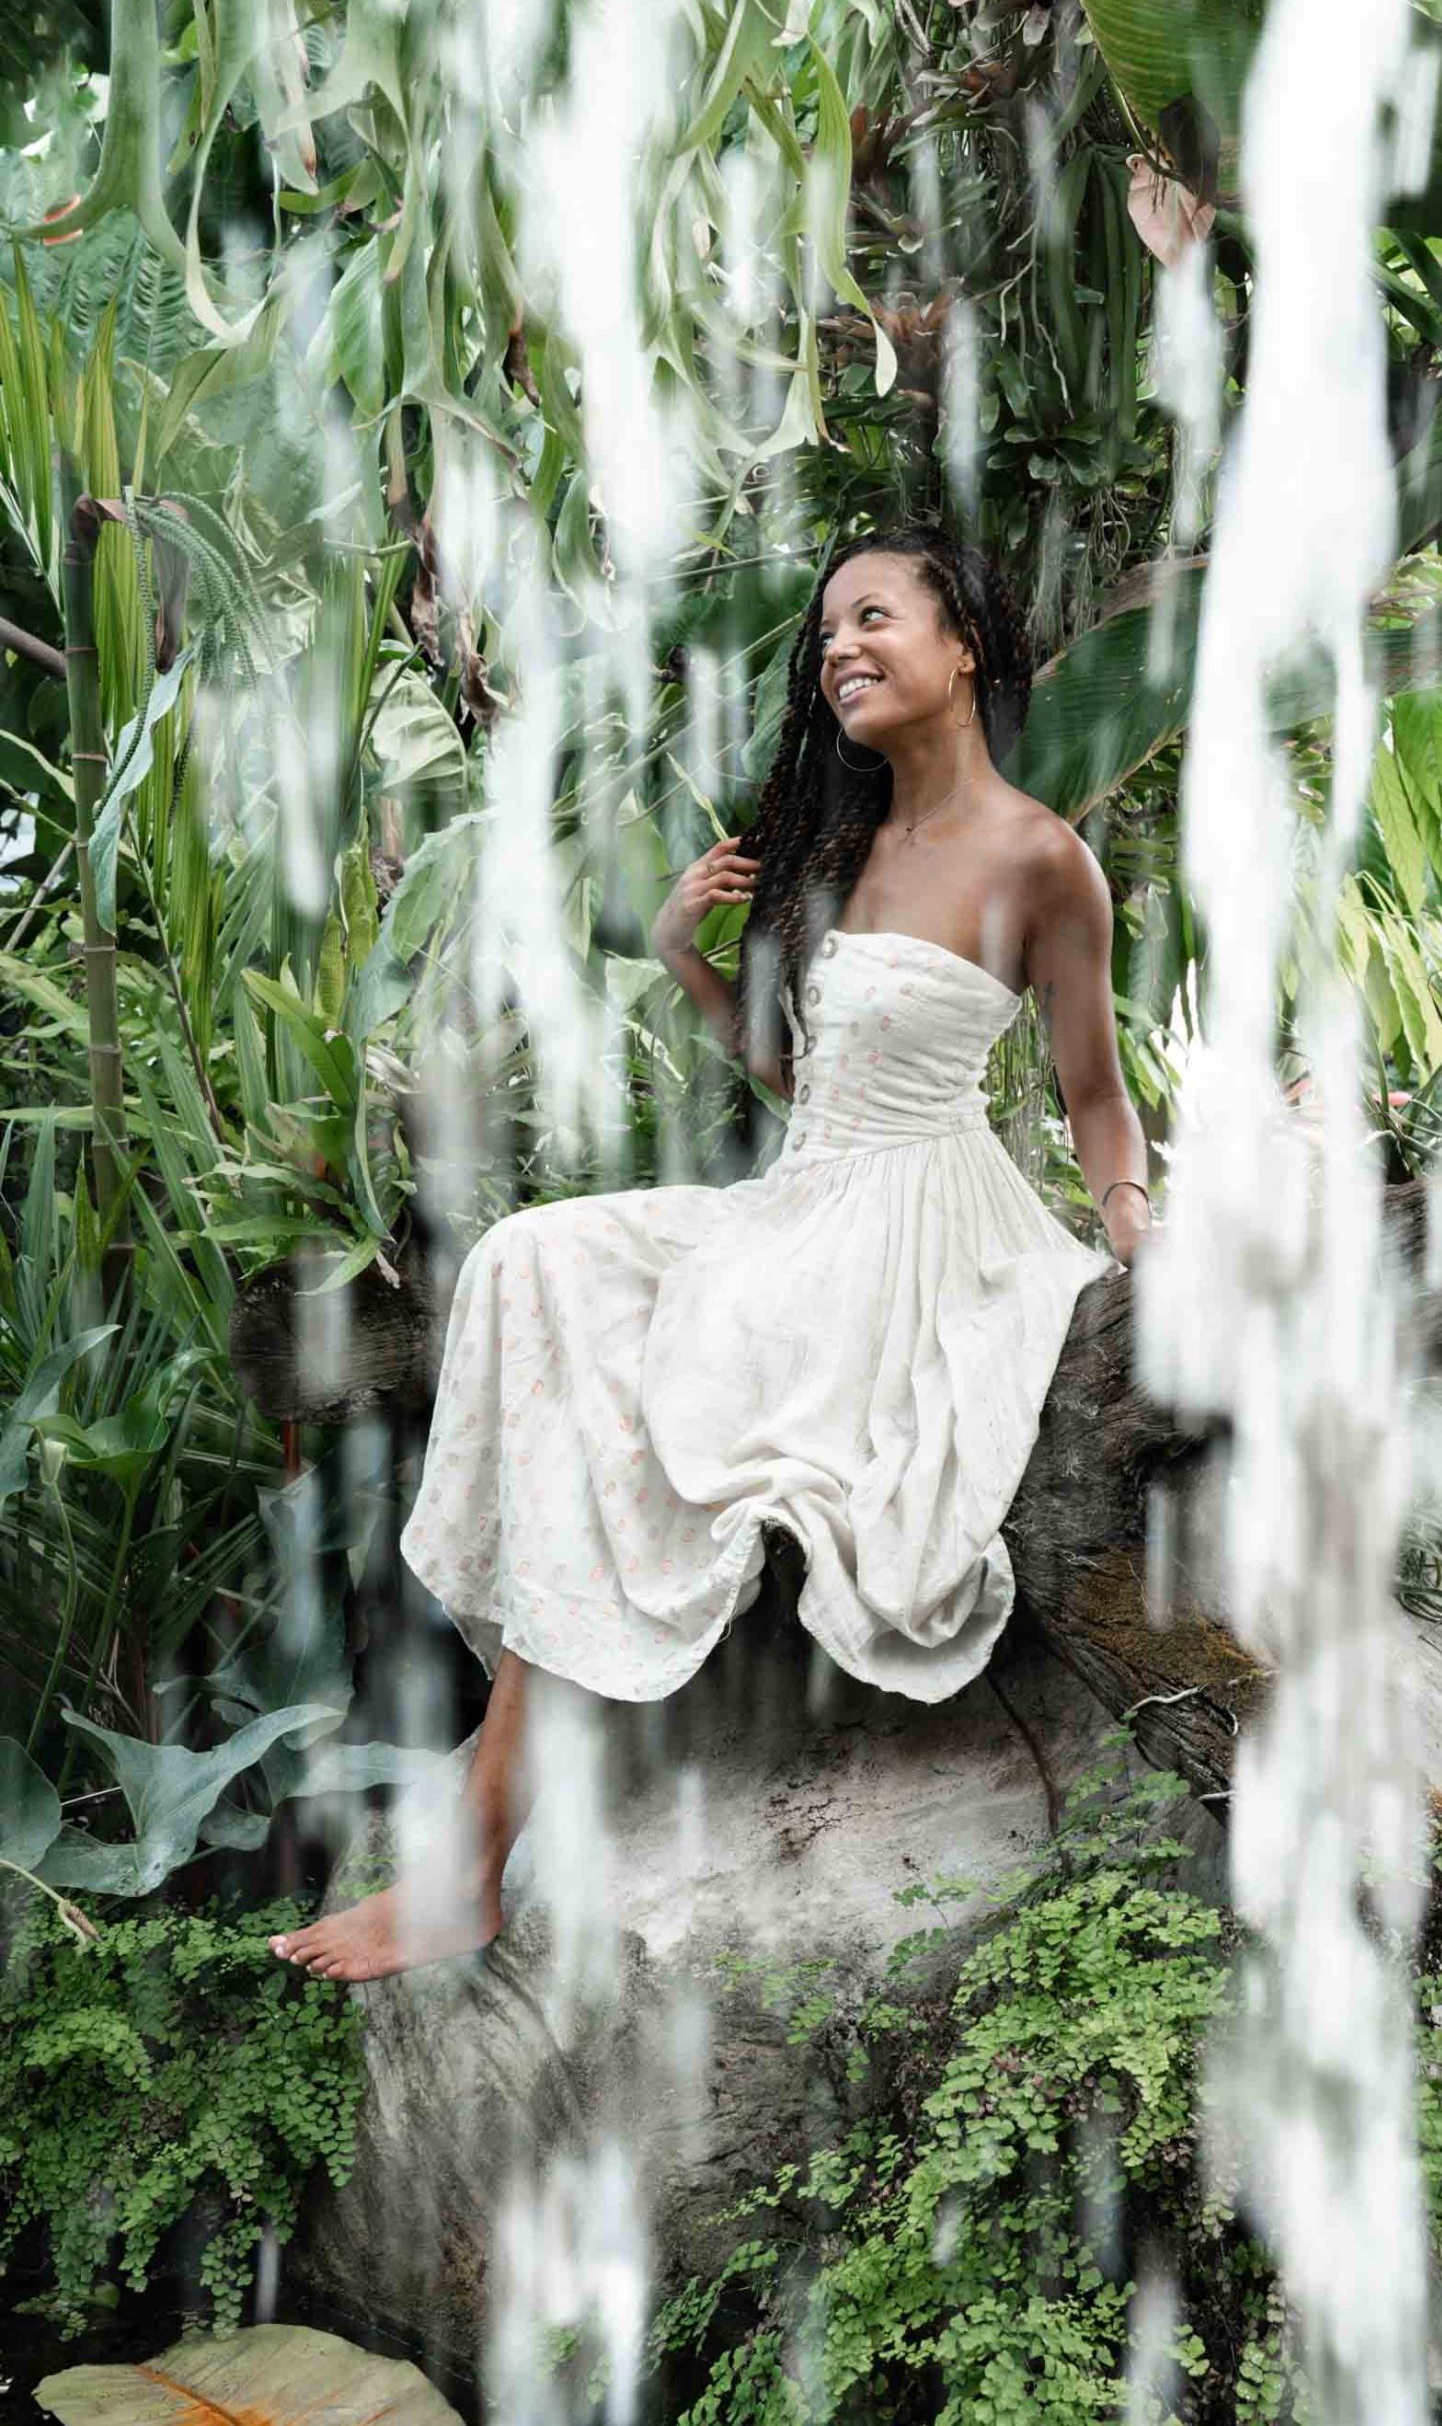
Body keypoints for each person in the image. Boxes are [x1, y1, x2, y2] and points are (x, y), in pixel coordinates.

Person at [271, 524, 1152, 1984]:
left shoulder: (1041, 860)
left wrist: (1134, 1228)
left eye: (874, 618)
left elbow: (1096, 1096)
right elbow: (818, 1088)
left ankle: (467, 1870)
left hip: (918, 1232)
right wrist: (688, 952)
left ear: (964, 648)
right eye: (825, 636)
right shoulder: (842, 845)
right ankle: (483, 1830)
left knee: (643, 1406)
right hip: (802, 1201)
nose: (841, 649)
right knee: (528, 1265)